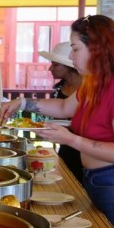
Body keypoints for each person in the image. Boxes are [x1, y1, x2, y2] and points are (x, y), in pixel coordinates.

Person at [0, 15, 114, 228]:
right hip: (103, 181)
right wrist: (23, 102)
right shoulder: (95, 85)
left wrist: (70, 140)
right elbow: (63, 108)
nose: (71, 57)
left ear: (97, 49)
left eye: (75, 49)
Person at [38, 41, 83, 182]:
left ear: (70, 67)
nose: (50, 69)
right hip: (65, 146)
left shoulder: (89, 88)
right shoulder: (59, 89)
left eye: (56, 64)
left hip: (85, 147)